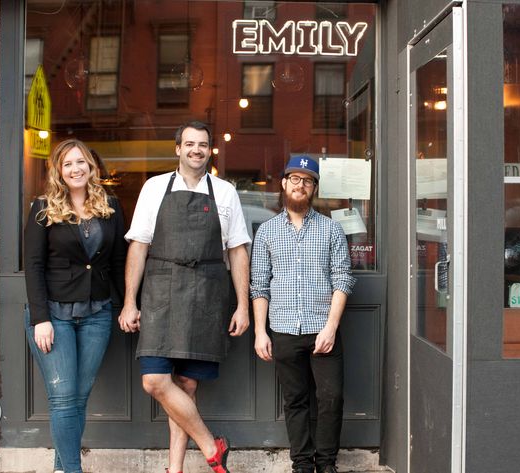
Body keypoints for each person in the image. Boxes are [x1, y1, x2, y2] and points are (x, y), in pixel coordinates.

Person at [119, 121, 251, 473]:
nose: (196, 149)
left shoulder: (224, 192)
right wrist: (130, 301)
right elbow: (139, 246)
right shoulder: (154, 187)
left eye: (203, 144)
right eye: (189, 143)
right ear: (177, 149)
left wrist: (242, 304)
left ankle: (174, 469)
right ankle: (212, 445)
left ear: (210, 150)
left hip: (207, 292)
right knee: (155, 381)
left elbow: (238, 250)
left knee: (187, 384)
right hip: (161, 290)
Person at [24, 139, 127, 473]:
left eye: (80, 162)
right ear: (58, 171)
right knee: (64, 398)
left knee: (78, 397)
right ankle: (72, 470)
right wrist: (40, 318)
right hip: (53, 315)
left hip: (97, 313)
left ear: (91, 166)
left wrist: (129, 304)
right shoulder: (42, 207)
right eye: (67, 164)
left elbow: (118, 261)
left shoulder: (110, 207)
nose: (75, 169)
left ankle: (59, 468)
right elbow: (34, 266)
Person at [250, 156, 356, 473]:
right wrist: (259, 331)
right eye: (294, 179)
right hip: (282, 329)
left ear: (314, 189)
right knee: (295, 401)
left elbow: (343, 279)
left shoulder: (331, 230)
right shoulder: (266, 232)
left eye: (307, 181)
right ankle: (302, 464)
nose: (300, 185)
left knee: (331, 398)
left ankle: (325, 463)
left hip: (322, 329)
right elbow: (259, 285)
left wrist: (331, 328)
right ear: (283, 184)